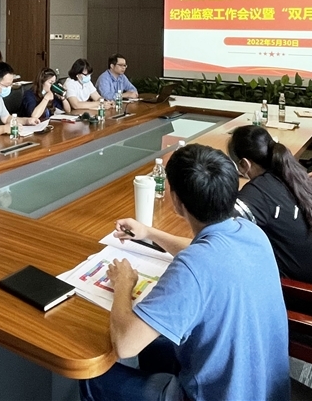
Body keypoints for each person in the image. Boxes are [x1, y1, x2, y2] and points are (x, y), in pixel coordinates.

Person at [80, 145, 289, 401]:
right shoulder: (250, 231)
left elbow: (125, 344)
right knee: (158, 343)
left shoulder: (193, 267)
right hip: (264, 391)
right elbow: (201, 249)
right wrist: (149, 233)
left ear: (177, 201)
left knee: (91, 376)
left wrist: (123, 284)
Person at [228, 125, 312, 284]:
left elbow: (219, 234)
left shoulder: (256, 193)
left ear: (245, 164)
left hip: (292, 288)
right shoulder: (292, 173)